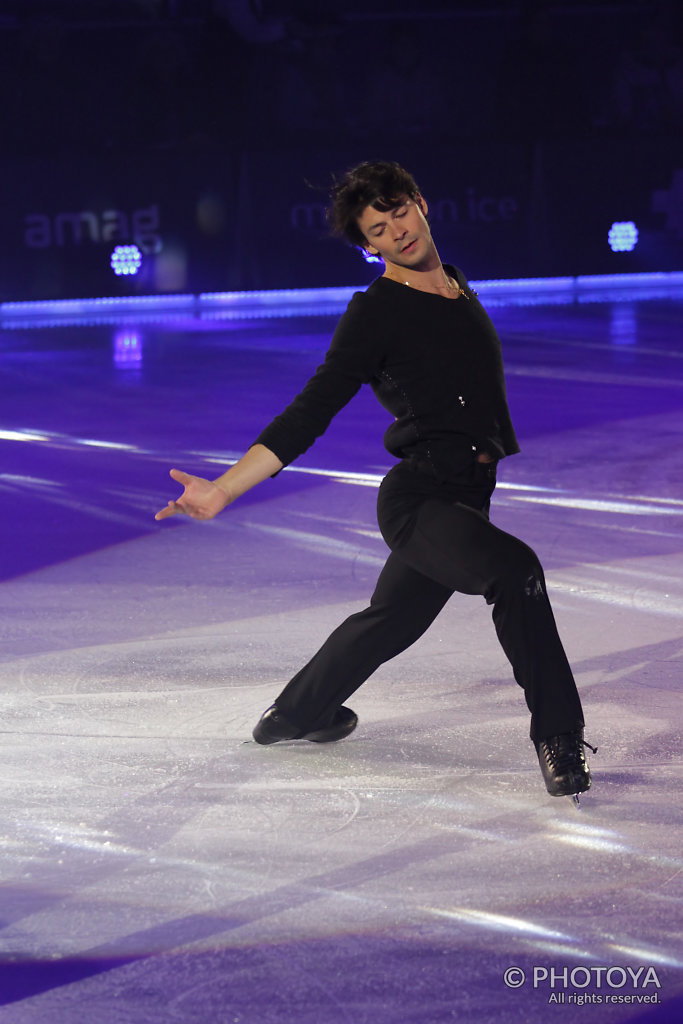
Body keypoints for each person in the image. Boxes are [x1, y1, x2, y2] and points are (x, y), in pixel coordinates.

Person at [155, 160, 595, 801]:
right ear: (368, 247)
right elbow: (312, 408)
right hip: (420, 499)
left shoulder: (454, 286)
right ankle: (558, 736)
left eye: (399, 212)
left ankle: (297, 712)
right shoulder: (374, 313)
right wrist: (225, 488)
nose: (396, 230)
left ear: (421, 204)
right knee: (516, 572)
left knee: (392, 619)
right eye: (378, 228)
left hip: (467, 497)